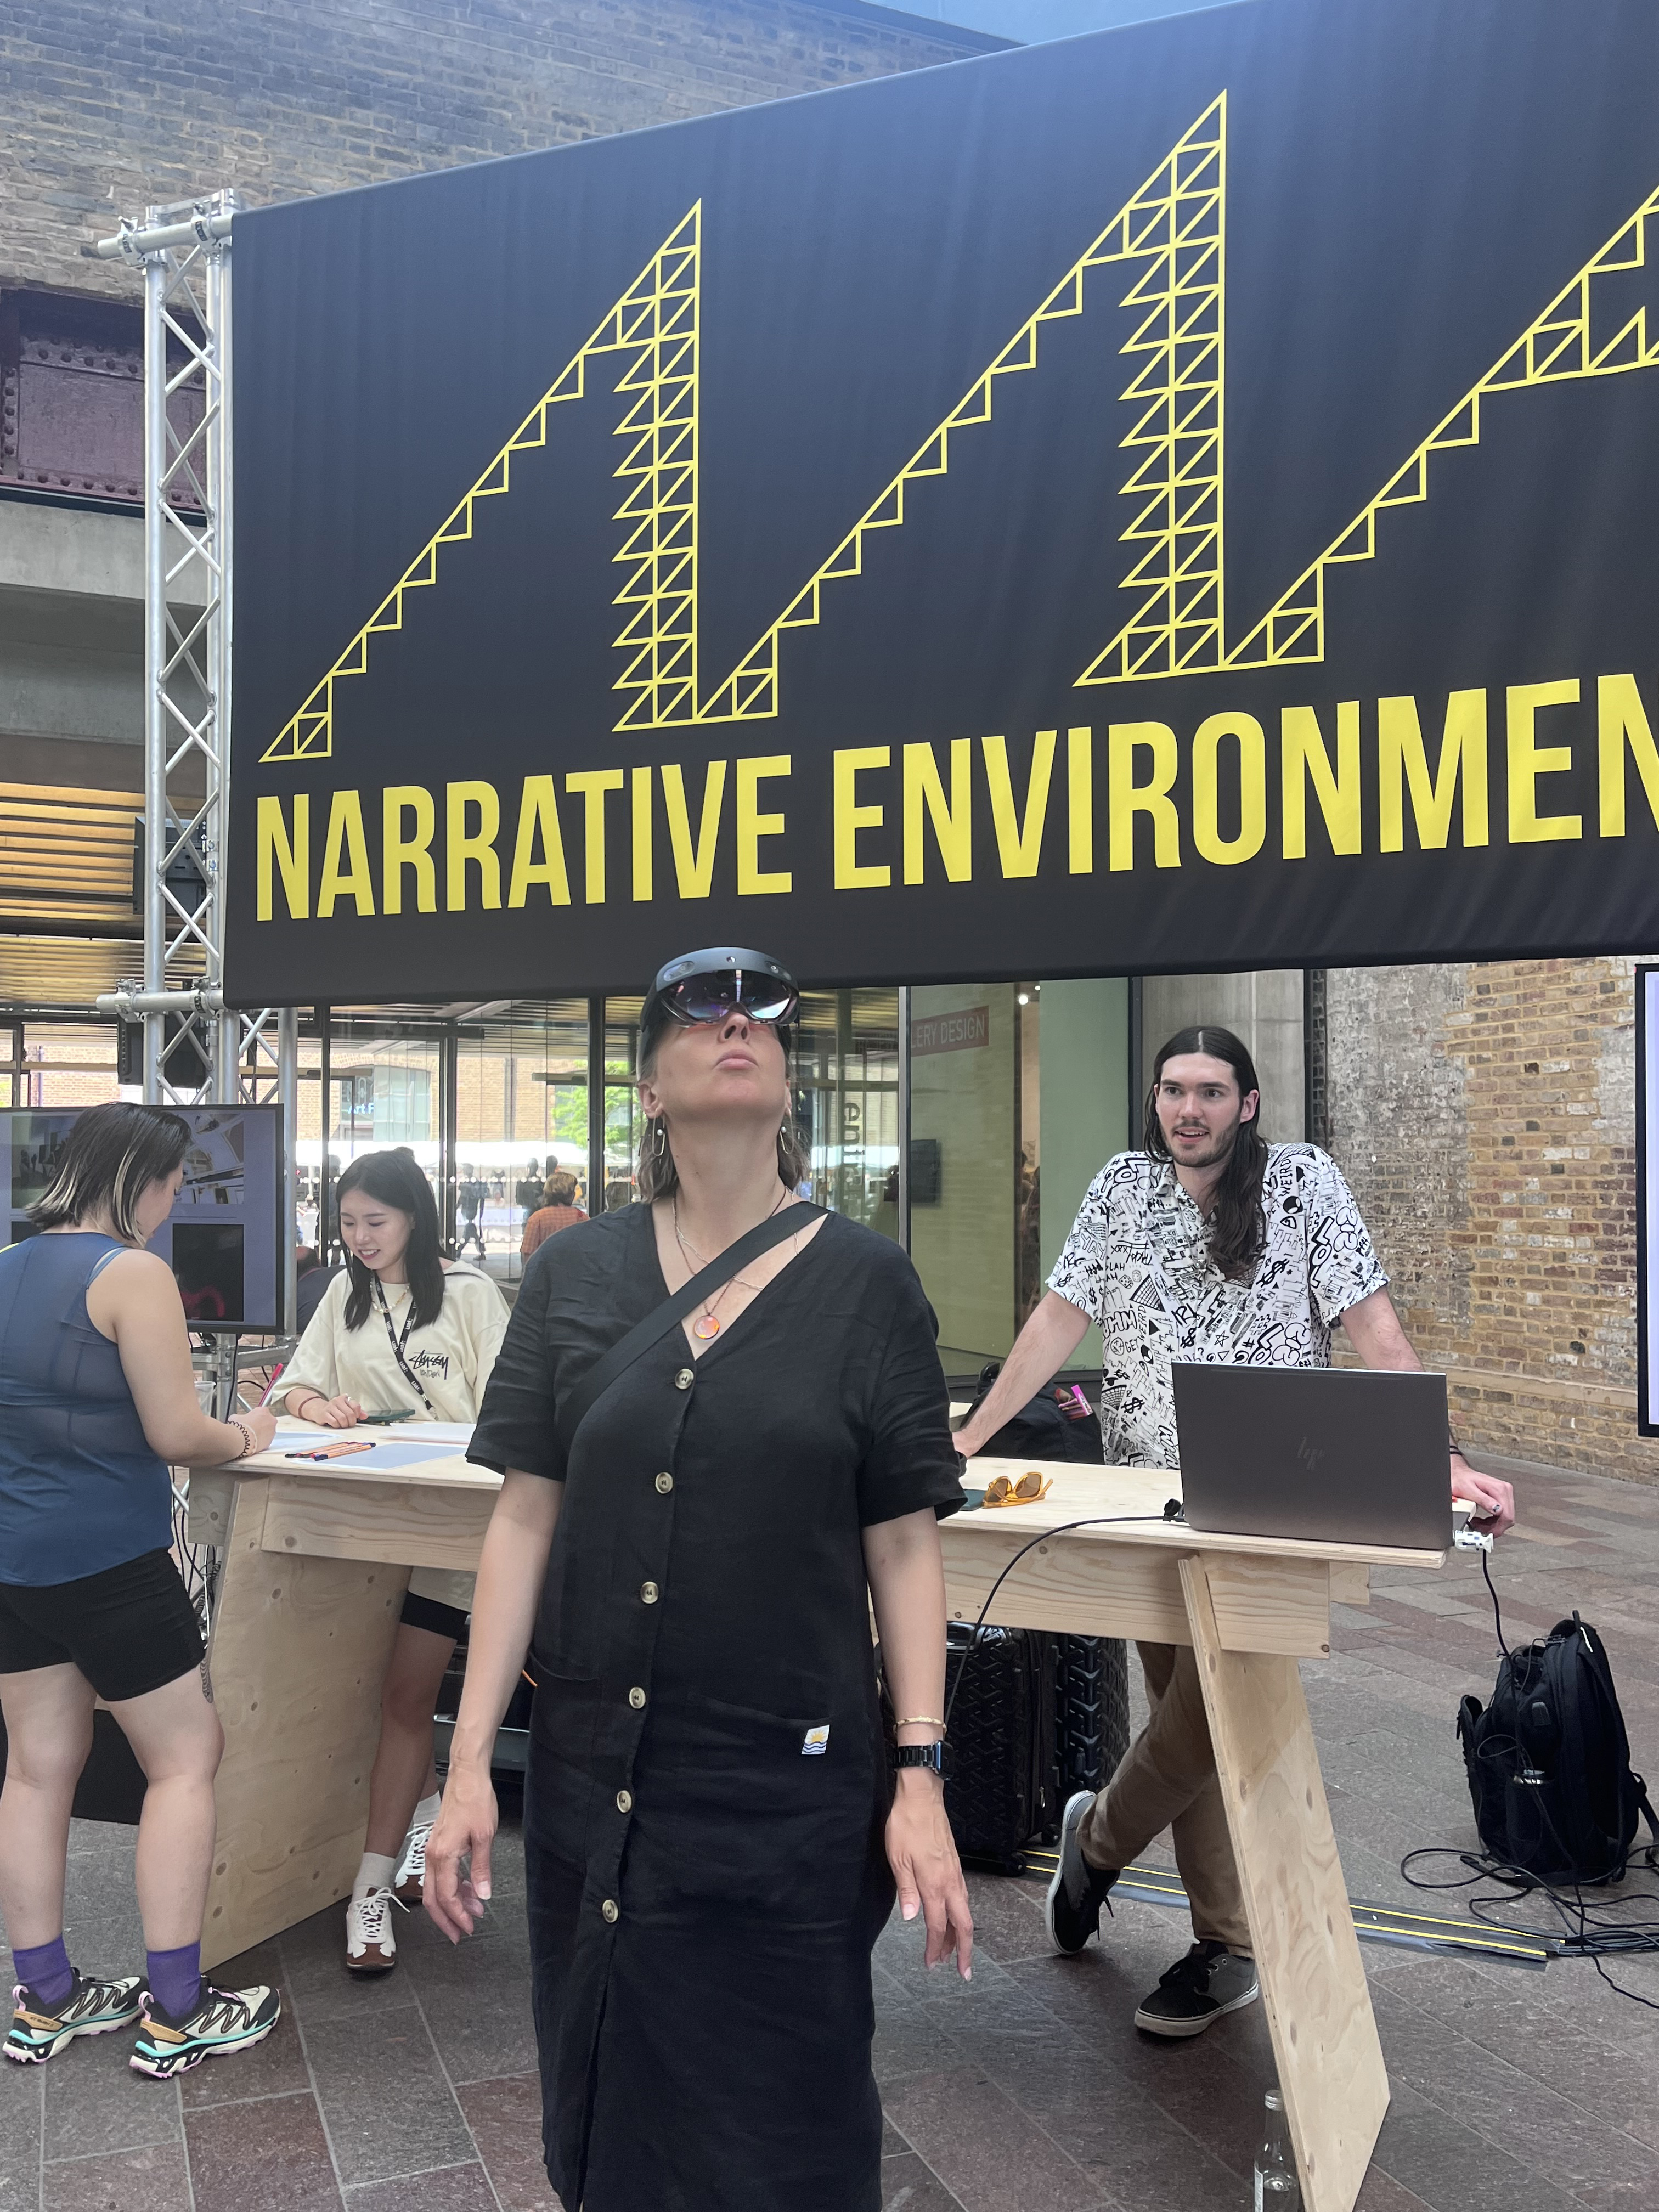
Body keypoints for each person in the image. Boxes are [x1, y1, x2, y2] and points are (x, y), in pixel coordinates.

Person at [425, 946, 973, 2212]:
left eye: (763, 1018)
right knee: (607, 2103)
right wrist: (464, 1771)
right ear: (651, 1095)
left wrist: (922, 1778)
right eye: (697, 1012)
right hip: (595, 1781)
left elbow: (903, 1542)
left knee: (790, 2112)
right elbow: (522, 1517)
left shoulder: (868, 1284)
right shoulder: (576, 1273)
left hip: (786, 1790)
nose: (735, 1023)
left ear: (789, 1089)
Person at [955, 1024, 1517, 2039]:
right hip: (1145, 1501)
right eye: (1172, 1089)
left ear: (1246, 1104)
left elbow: (1373, 1328)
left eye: (1210, 1091)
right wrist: (964, 1436)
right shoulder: (1122, 1188)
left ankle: (1098, 1843)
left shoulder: (1302, 1185)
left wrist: (1443, 1460)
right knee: (1194, 1713)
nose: (1186, 1108)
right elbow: (1053, 1320)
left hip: (1268, 1501)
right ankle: (1222, 1943)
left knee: (1214, 1712)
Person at [0, 1101, 281, 2076]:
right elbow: (176, 1431)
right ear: (137, 1178)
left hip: (14, 1559)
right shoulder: (133, 1272)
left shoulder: (3, 1266)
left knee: (37, 1768)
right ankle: (177, 2007)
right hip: (108, 1559)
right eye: (169, 1185)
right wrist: (251, 1430)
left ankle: (46, 1997)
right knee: (185, 1755)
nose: (170, 1206)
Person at [271, 1149, 509, 1976]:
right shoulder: (344, 1295)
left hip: (450, 1532)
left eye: (376, 1222)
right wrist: (317, 1404)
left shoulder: (473, 1295)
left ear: (415, 1217)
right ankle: (421, 1815)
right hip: (362, 1528)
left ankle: (368, 1889)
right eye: (347, 1224)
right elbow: (289, 1389)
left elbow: (513, 1410)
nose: (361, 1239)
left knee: (409, 1692)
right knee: (364, 1691)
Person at [518, 1169, 587, 1260]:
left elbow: (528, 1255)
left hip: (545, 1272)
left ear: (547, 1192)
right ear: (572, 1195)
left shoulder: (537, 1218)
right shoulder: (582, 1218)